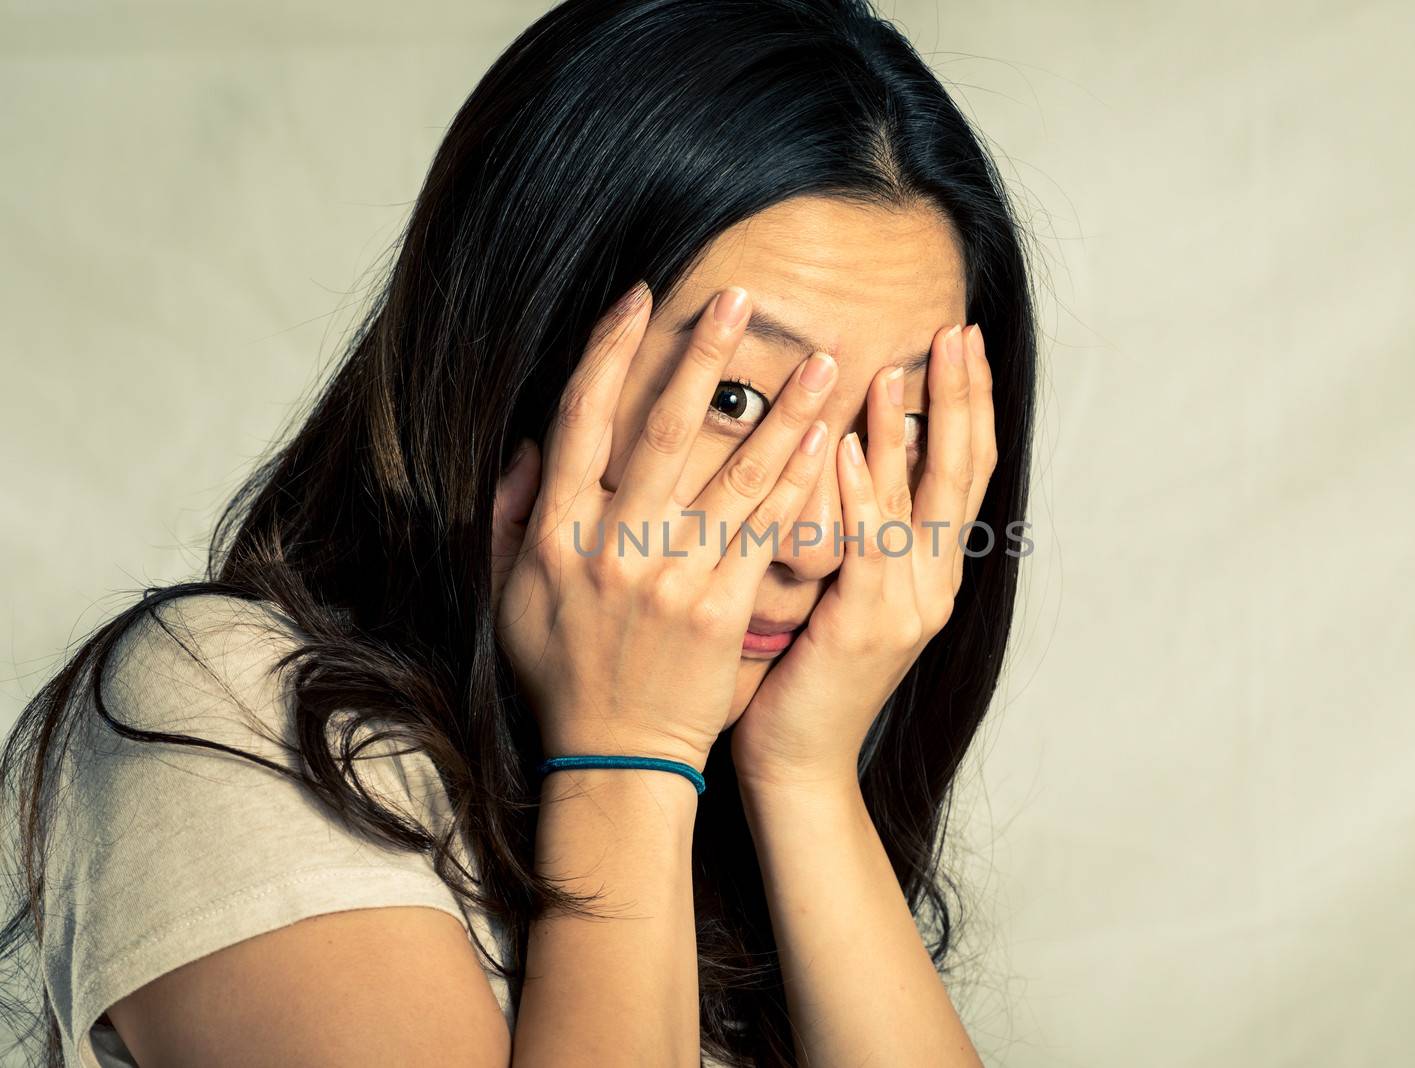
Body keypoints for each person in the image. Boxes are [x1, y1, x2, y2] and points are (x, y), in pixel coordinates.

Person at [0, 0, 1038, 1064]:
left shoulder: (758, 811)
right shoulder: (232, 709)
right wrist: (628, 754)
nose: (818, 540)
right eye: (736, 400)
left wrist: (806, 779)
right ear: (527, 359)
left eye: (896, 430)